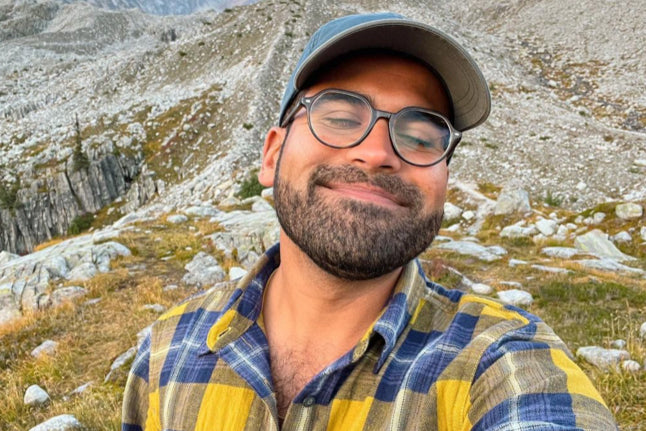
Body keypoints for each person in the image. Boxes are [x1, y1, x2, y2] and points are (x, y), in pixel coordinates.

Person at [122, 12, 617, 430]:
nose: (377, 153)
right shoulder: (165, 350)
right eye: (340, 117)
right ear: (272, 155)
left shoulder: (502, 360)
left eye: (421, 136)